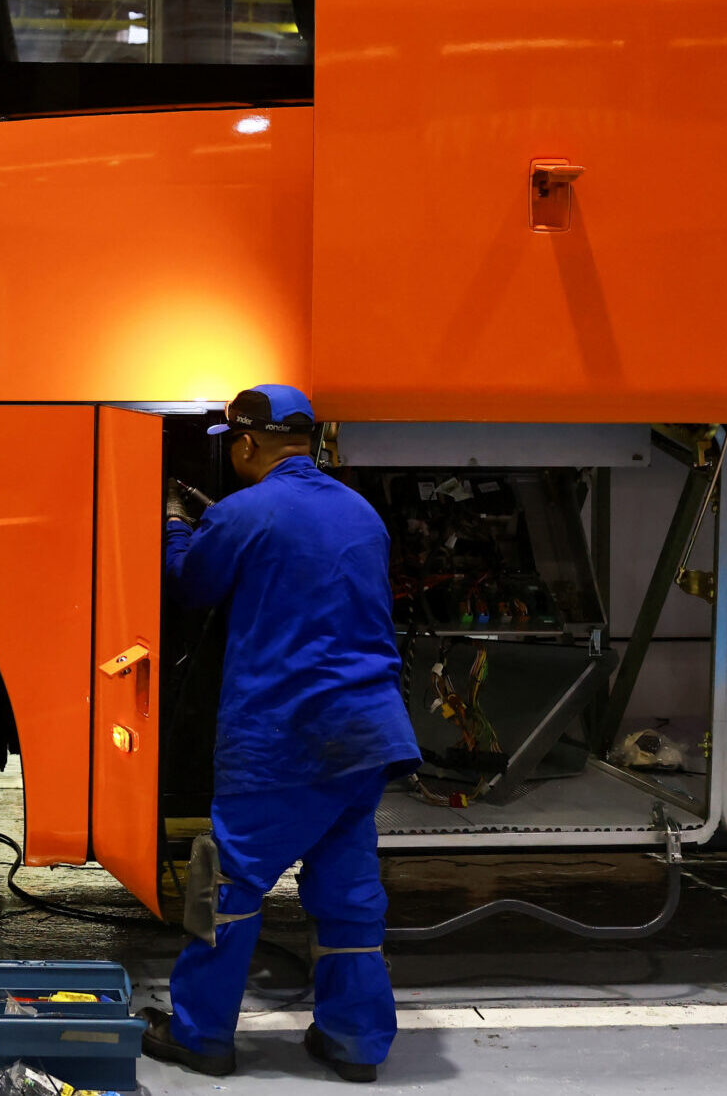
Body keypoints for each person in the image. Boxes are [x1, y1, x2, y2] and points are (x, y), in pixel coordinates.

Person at [139, 384, 420, 1084]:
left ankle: (202, 1035)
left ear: (244, 445)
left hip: (285, 734)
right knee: (347, 890)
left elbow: (190, 582)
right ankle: (354, 1043)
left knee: (225, 881)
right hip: (367, 733)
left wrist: (178, 522)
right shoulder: (362, 514)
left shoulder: (244, 512)